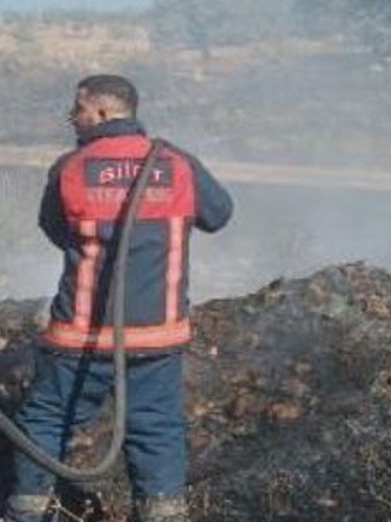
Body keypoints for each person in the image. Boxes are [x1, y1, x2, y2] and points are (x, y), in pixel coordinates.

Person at [4, 75, 233, 522]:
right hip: (157, 335)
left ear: (104, 112)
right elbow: (219, 214)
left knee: (46, 419)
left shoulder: (71, 166)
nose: (72, 118)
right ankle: (162, 514)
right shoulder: (178, 163)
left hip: (82, 335)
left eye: (78, 109)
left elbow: (56, 230)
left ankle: (27, 511)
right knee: (157, 428)